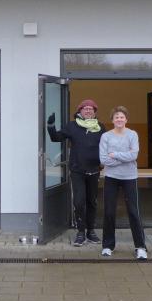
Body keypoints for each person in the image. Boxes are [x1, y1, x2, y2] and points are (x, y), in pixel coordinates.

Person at [47, 99, 105, 246]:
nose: (88, 110)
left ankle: (91, 231)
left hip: (94, 170)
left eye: (91, 109)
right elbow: (56, 138)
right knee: (79, 202)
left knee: (92, 202)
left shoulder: (100, 127)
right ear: (80, 111)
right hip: (77, 170)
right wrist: (51, 126)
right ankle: (80, 232)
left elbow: (107, 145)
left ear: (95, 112)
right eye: (85, 108)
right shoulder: (72, 126)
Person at [99, 106, 147, 260]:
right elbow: (103, 159)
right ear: (112, 120)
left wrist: (115, 155)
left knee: (133, 211)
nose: (119, 119)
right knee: (109, 211)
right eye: (116, 117)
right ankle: (107, 246)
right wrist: (124, 158)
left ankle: (140, 247)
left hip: (129, 177)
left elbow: (134, 155)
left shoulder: (132, 134)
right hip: (111, 177)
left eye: (122, 117)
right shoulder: (106, 136)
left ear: (126, 119)